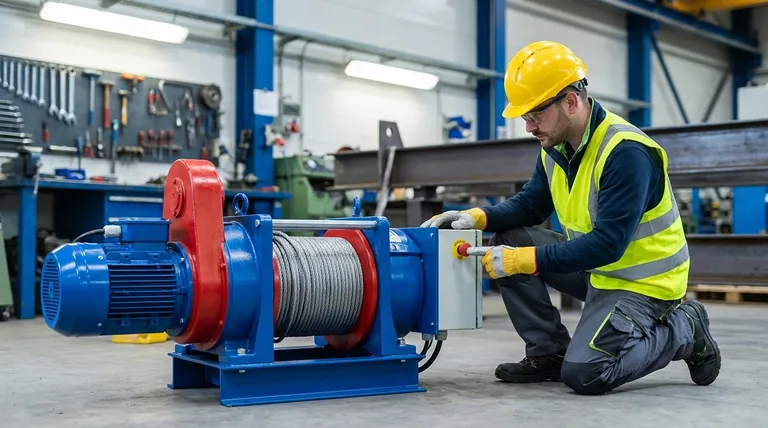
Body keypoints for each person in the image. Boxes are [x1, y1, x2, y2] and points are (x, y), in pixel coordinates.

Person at [421, 41, 721, 395]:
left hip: (643, 282)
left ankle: (685, 328)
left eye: (535, 115)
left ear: (570, 101)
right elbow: (531, 206)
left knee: (586, 374)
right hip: (598, 270)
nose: (529, 127)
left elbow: (609, 243)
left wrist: (525, 261)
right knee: (510, 238)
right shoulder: (556, 146)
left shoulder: (626, 152)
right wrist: (475, 217)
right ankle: (549, 353)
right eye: (525, 117)